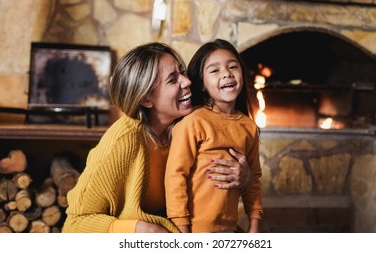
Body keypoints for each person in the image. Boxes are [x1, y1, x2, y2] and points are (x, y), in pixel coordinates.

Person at [62, 42, 253, 233]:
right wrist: (139, 229)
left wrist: (245, 180)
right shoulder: (123, 141)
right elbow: (74, 226)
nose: (187, 82)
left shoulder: (191, 126)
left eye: (182, 71)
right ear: (146, 99)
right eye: (172, 79)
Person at [164, 39, 263, 233]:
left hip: (229, 229)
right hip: (193, 229)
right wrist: (182, 231)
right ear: (202, 83)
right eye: (214, 70)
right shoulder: (194, 121)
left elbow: (253, 179)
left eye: (233, 66)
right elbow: (175, 177)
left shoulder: (248, 127)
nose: (227, 73)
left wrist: (255, 224)